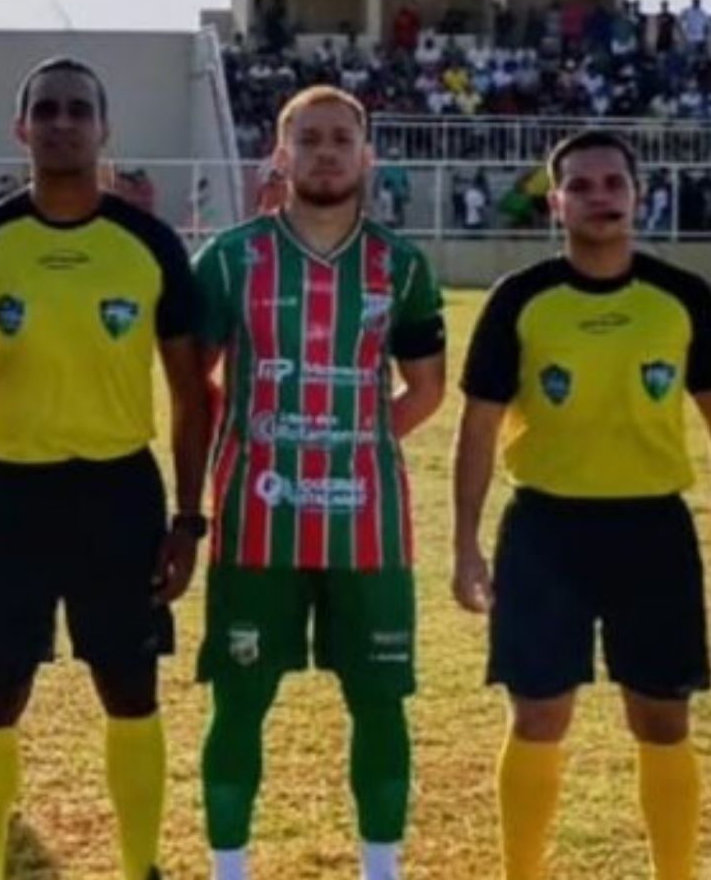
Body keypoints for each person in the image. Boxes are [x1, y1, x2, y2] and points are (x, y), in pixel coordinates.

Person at [0, 57, 210, 880]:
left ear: (103, 128)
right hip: (3, 494)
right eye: (45, 110)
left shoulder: (150, 243)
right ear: (21, 128)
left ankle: (141, 866)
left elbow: (191, 392)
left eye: (78, 110)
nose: (61, 123)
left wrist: (188, 518)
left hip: (118, 493)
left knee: (130, 687)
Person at [191, 85, 447, 880]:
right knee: (239, 700)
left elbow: (427, 387)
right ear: (281, 154)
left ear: (367, 155)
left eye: (341, 138)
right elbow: (192, 381)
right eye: (309, 139)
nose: (326, 152)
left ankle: (381, 868)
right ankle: (230, 869)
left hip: (368, 527)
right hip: (254, 522)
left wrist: (354, 440)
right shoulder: (229, 257)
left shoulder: (401, 264)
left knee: (379, 699)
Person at [453, 130, 711, 880]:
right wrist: (465, 545)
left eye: (615, 183)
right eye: (583, 186)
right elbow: (478, 428)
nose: (602, 197)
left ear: (639, 196)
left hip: (654, 529)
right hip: (546, 531)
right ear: (556, 203)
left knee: (663, 716)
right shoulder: (520, 300)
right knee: (539, 713)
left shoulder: (683, 299)